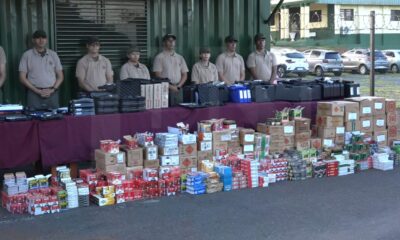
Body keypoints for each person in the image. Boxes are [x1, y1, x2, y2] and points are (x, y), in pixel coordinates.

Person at [19, 30, 63, 109]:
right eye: (38, 38)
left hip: (52, 93)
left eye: (43, 38)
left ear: (46, 40)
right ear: (33, 40)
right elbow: (22, 78)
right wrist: (37, 91)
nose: (41, 40)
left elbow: (60, 76)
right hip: (33, 94)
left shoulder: (53, 54)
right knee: (34, 118)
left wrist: (52, 89)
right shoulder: (27, 55)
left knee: (54, 119)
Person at [153, 34, 188, 106]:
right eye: (169, 41)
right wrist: (171, 87)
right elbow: (158, 76)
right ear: (164, 43)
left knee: (179, 111)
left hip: (178, 88)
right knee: (166, 112)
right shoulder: (159, 57)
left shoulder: (180, 57)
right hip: (164, 89)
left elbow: (184, 74)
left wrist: (178, 86)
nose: (172, 43)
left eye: (173, 41)